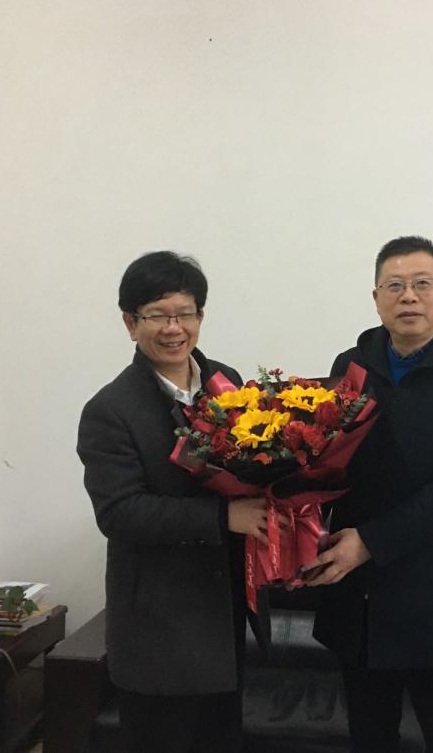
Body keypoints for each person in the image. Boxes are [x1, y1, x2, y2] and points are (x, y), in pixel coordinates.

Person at [306, 236, 433, 753]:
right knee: (368, 737)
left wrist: (370, 542)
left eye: (422, 284)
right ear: (376, 298)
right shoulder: (351, 364)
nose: (409, 296)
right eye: (394, 286)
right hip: (359, 596)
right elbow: (328, 459)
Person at [77, 251, 270, 753]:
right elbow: (121, 512)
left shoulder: (227, 384)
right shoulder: (110, 410)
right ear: (130, 323)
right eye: (157, 315)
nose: (173, 328)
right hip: (158, 631)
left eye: (184, 313)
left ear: (200, 317)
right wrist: (225, 517)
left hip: (224, 620)